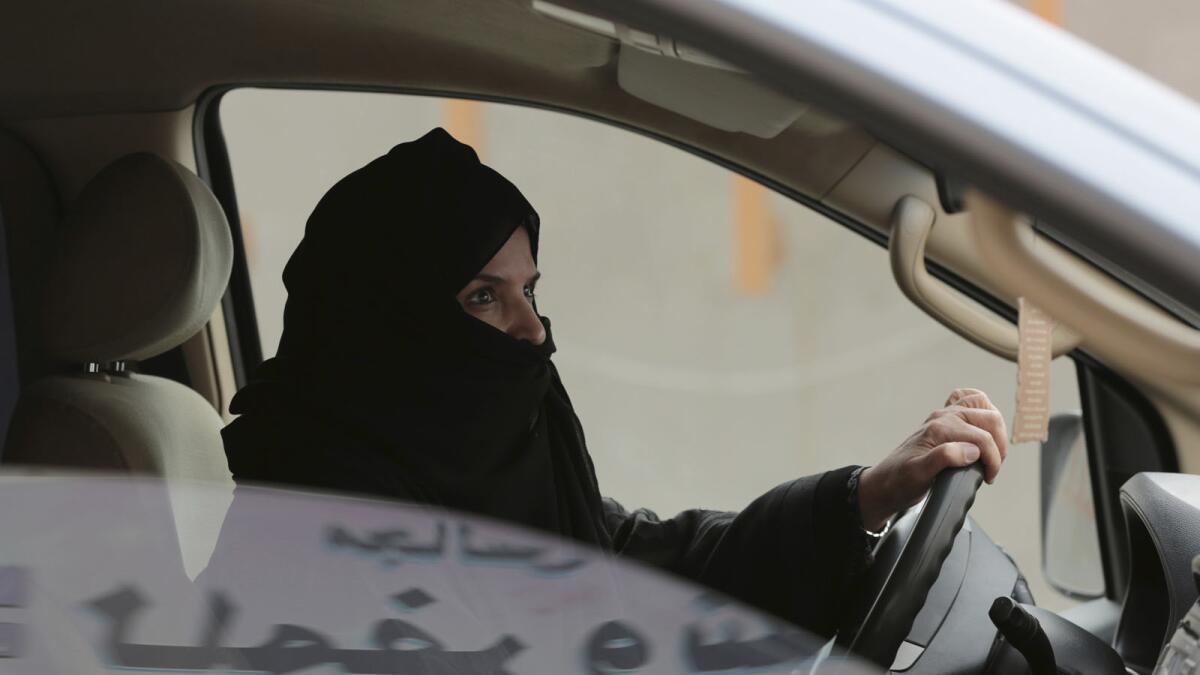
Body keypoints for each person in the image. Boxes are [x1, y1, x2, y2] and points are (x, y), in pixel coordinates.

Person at [222, 128, 1008, 636]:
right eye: (483, 296)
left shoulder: (498, 482)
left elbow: (643, 565)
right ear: (388, 326)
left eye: (530, 290)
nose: (532, 332)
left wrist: (861, 497)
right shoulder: (302, 544)